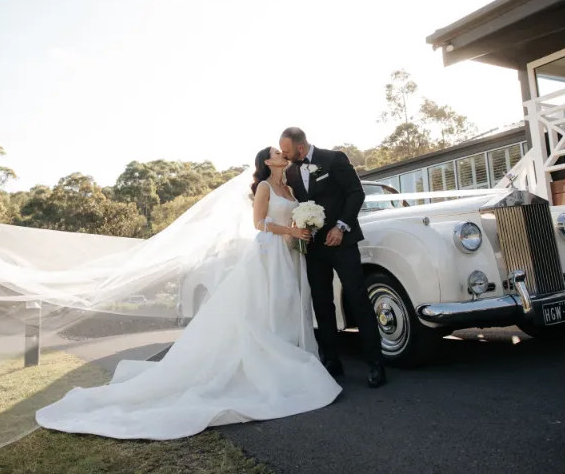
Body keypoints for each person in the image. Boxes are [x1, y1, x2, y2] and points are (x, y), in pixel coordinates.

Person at [34, 146, 342, 439]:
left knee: (291, 304)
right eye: (276, 153)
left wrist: (301, 228)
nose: (282, 154)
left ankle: (291, 358)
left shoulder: (289, 189)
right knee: (271, 306)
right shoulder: (264, 187)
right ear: (266, 162)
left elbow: (292, 217)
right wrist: (290, 230)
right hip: (268, 254)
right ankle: (277, 368)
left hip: (290, 255)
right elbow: (259, 222)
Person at [279, 127, 387, 387]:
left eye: (287, 151)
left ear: (301, 148)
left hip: (343, 243)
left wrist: (341, 226)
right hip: (314, 248)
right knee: (322, 304)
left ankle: (375, 364)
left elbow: (355, 193)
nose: (284, 155)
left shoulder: (334, 159)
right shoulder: (291, 172)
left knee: (357, 298)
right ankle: (332, 360)